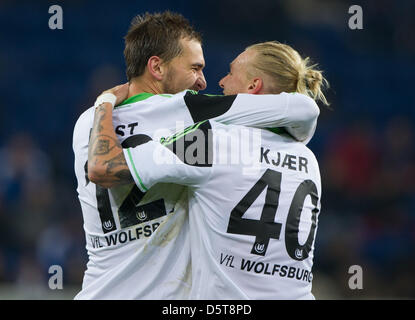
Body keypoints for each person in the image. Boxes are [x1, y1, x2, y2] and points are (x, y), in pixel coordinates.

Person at [74, 11, 320, 299]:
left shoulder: (89, 121)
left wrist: (104, 101)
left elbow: (102, 165)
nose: (205, 82)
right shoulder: (193, 115)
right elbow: (303, 109)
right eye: (195, 68)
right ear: (157, 67)